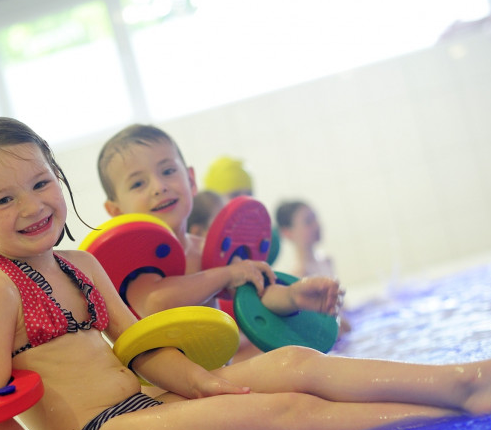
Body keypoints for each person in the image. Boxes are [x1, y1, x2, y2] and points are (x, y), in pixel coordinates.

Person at [0, 117, 491, 430]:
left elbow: (138, 345)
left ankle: (469, 382)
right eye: (5, 198)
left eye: (41, 183)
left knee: (297, 362)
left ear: (59, 181)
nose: (32, 206)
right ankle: (467, 409)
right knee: (288, 414)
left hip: (149, 406)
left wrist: (202, 384)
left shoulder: (80, 267)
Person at [97, 124, 339, 324]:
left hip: (221, 373)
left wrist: (293, 296)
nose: (159, 186)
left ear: (191, 181)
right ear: (116, 211)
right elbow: (156, 302)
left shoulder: (210, 251)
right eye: (138, 184)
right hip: (166, 383)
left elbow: (257, 295)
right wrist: (225, 275)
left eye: (168, 171)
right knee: (300, 364)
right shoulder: (135, 265)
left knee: (297, 360)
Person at [274, 199, 351, 333]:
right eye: (308, 222)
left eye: (315, 218)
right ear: (287, 232)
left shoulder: (327, 261)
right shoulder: (298, 276)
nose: (316, 225)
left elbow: (343, 308)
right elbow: (316, 329)